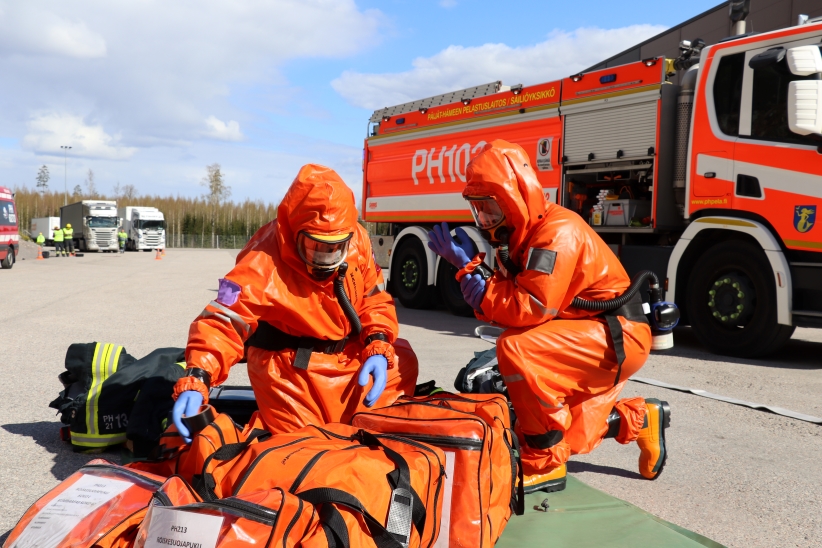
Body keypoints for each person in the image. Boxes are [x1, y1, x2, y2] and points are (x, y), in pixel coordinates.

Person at [428, 140, 670, 493]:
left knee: (517, 350)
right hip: (591, 333)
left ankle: (544, 464)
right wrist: (475, 273)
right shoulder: (518, 238)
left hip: (617, 335)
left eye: (491, 210)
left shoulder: (558, 233)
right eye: (478, 211)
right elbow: (512, 305)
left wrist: (471, 272)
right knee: (572, 433)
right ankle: (642, 419)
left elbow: (529, 308)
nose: (485, 221)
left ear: (514, 200)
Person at [171, 164, 418, 442]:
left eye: (335, 248)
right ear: (295, 232)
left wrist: (378, 343)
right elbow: (223, 317)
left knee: (402, 361)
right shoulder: (260, 258)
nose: (326, 258)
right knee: (306, 449)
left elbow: (374, 299)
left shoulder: (358, 241)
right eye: (316, 248)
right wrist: (198, 377)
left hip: (345, 357)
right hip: (289, 371)